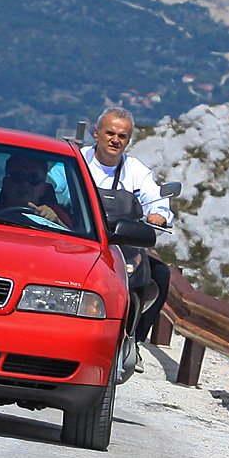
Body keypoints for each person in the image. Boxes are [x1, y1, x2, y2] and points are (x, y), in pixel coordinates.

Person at [79, 106, 172, 347]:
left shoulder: (136, 171)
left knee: (160, 275)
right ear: (96, 133)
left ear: (129, 140)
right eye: (110, 133)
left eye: (122, 136)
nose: (115, 140)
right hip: (81, 242)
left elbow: (157, 199)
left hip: (122, 247)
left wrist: (158, 215)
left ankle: (135, 340)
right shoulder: (78, 162)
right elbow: (56, 187)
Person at [0, 155, 68, 227]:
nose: (25, 184)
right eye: (18, 177)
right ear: (5, 183)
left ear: (43, 189)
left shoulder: (55, 214)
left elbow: (74, 236)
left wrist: (56, 222)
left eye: (34, 179)